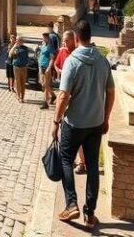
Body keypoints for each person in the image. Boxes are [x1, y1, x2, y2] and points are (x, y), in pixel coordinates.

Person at [52, 19, 115, 229]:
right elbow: (110, 92)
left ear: (76, 38)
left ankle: (71, 203)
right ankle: (90, 214)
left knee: (65, 159)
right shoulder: (102, 60)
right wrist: (106, 118)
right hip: (96, 122)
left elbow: (63, 96)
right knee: (92, 166)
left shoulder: (71, 61)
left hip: (75, 122)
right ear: (91, 37)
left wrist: (56, 121)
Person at [55, 30, 86, 175]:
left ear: (75, 40)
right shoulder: (63, 52)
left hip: (77, 99)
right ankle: (70, 158)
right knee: (66, 131)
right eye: (63, 41)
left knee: (78, 132)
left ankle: (81, 162)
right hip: (66, 95)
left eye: (66, 41)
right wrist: (58, 70)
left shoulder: (80, 56)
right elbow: (56, 64)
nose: (64, 44)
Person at [39, 32, 57, 109]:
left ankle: (45, 103)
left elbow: (52, 58)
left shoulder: (50, 47)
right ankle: (53, 95)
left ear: (46, 38)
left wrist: (49, 68)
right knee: (44, 84)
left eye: (43, 37)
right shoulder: (43, 45)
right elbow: (41, 55)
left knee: (46, 85)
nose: (42, 39)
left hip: (47, 68)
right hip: (41, 66)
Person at [10, 36, 29, 102]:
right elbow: (10, 54)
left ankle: (22, 97)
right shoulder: (15, 48)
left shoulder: (25, 48)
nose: (16, 41)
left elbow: (23, 55)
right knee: (18, 82)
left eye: (18, 40)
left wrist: (17, 49)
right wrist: (14, 46)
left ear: (22, 41)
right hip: (16, 67)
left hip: (23, 67)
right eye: (17, 40)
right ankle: (19, 96)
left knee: (23, 83)